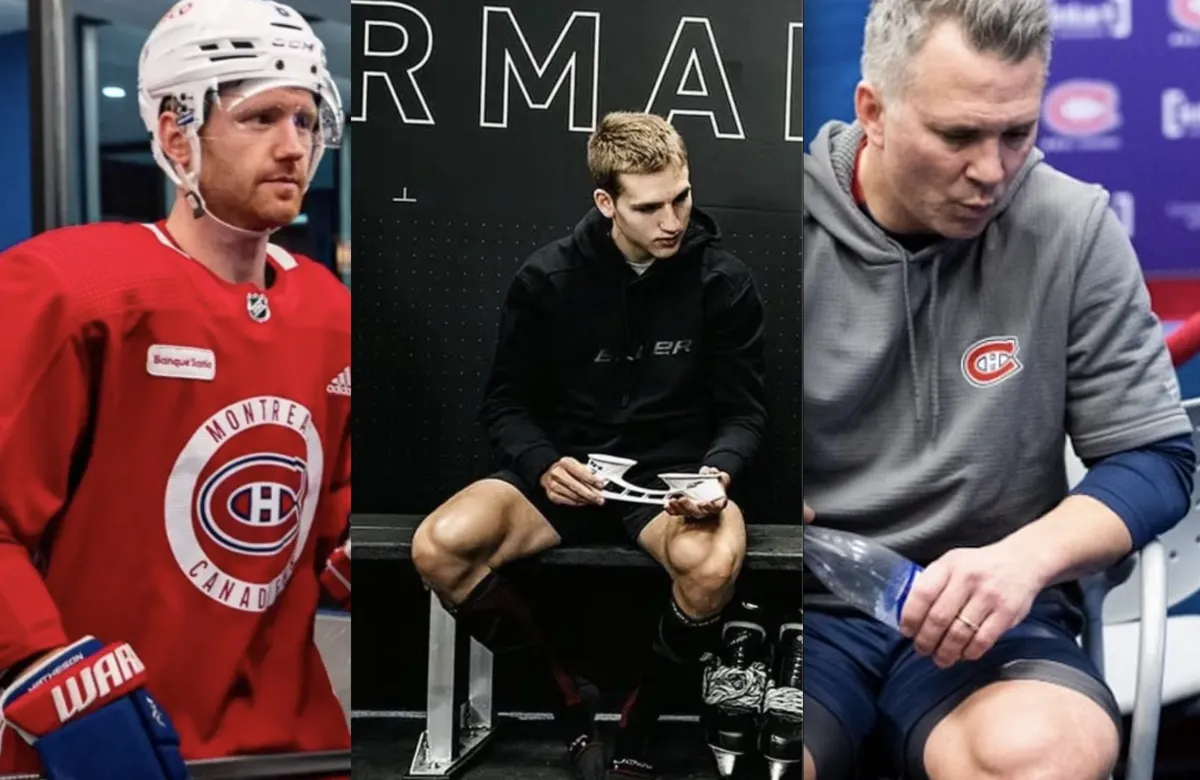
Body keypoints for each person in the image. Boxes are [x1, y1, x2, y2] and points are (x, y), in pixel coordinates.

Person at [802, 1, 1196, 779]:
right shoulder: (770, 224)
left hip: (994, 622)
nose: (991, 170)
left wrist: (1022, 563)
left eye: (1016, 132)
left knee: (1042, 756)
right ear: (873, 112)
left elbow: (1154, 459)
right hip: (800, 607)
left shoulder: (1071, 227)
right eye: (957, 136)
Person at [0, 0, 351, 777]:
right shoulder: (71, 291)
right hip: (111, 741)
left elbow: (324, 516)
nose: (294, 147)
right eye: (261, 118)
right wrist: (40, 672)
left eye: (306, 118)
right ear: (173, 132)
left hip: (299, 745)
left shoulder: (327, 308)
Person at [410, 110, 769, 780]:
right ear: (607, 203)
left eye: (682, 198)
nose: (672, 220)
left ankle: (641, 723)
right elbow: (505, 404)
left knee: (715, 563)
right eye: (650, 206)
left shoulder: (724, 282)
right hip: (564, 474)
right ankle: (566, 703)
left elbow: (745, 413)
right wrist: (544, 465)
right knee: (439, 546)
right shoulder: (546, 278)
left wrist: (717, 475)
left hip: (668, 483)